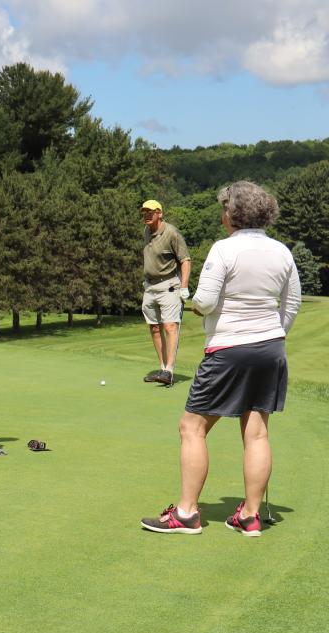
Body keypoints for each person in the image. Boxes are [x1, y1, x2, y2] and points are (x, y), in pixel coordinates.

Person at [141, 182, 301, 537]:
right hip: (271, 348)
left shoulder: (223, 249)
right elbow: (291, 305)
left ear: (232, 214)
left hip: (229, 349)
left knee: (192, 427)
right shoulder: (282, 251)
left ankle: (185, 514)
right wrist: (273, 334)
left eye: (224, 209)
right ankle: (251, 517)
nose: (222, 215)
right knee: (256, 432)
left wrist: (187, 298)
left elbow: (207, 301)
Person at [140, 199, 191, 386]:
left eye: (150, 212)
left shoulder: (171, 233)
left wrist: (184, 287)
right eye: (144, 212)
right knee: (154, 327)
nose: (146, 215)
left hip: (169, 284)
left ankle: (169, 370)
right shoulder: (147, 231)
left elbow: (185, 260)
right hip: (150, 287)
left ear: (160, 213)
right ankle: (162, 368)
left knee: (170, 327)